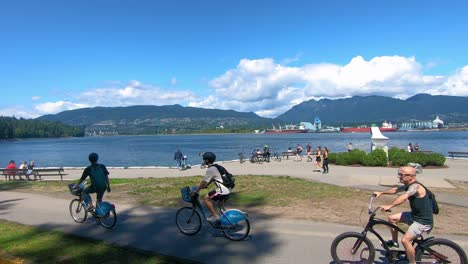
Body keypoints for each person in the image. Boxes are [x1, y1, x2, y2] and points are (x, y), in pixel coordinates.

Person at [373, 166, 433, 264]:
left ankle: (412, 262)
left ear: (411, 177)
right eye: (399, 174)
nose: (399, 177)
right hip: (414, 216)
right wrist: (381, 193)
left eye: (402, 175)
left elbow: (404, 197)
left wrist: (390, 206)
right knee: (392, 218)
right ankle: (394, 243)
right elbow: (395, 190)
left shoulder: (415, 187)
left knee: (405, 241)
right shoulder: (408, 184)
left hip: (422, 221)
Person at [193, 152, 231, 224]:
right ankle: (227, 221)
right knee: (219, 206)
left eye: (203, 159)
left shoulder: (211, 169)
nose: (203, 161)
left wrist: (197, 190)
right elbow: (212, 179)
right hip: (229, 189)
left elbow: (204, 182)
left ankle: (215, 216)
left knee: (206, 198)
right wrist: (205, 186)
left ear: (207, 160)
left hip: (223, 190)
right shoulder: (217, 167)